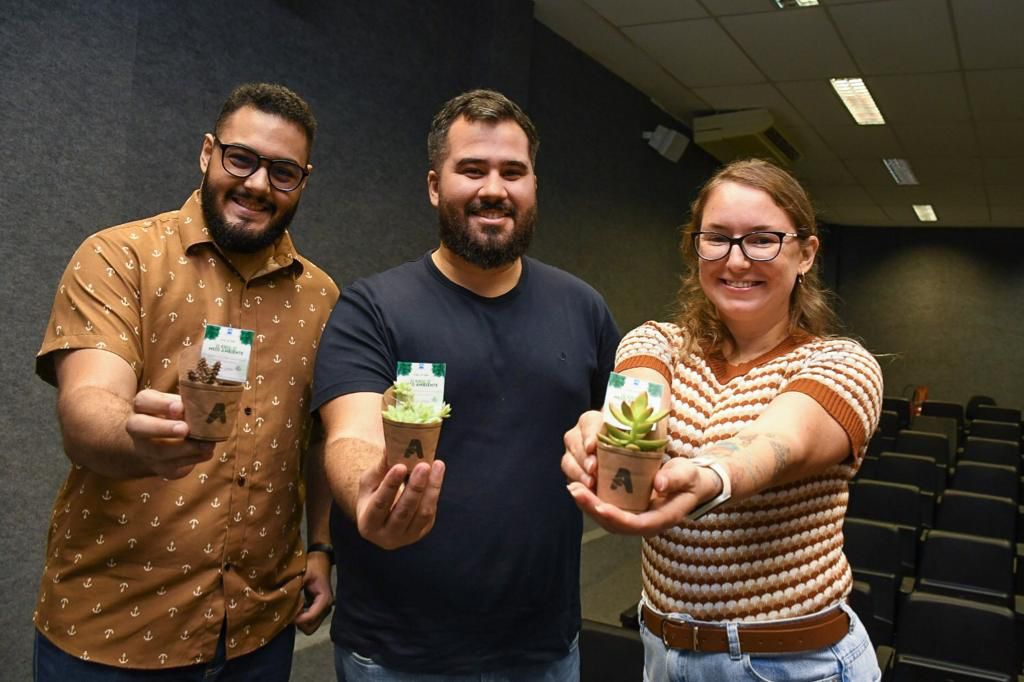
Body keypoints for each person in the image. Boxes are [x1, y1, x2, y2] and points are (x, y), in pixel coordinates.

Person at [32, 83, 339, 681]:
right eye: (240, 159)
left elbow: (319, 439)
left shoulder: (322, 298)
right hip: (115, 628)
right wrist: (132, 436)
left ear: (303, 181)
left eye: (282, 171)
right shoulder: (118, 256)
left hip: (257, 630)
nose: (256, 184)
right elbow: (87, 402)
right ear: (207, 152)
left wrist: (321, 547)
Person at [312, 88, 619, 680]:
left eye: (513, 172)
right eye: (471, 169)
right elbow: (350, 435)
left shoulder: (583, 308)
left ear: (533, 187)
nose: (494, 189)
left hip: (544, 648)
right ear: (434, 186)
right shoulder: (372, 307)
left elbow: (618, 435)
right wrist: (368, 496)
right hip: (398, 653)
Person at [563, 159, 884, 681]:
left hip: (794, 665)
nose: (736, 261)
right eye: (717, 238)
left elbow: (780, 439)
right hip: (663, 654)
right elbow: (639, 401)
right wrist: (604, 436)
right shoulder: (656, 341)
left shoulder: (842, 363)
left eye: (762, 240)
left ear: (805, 253)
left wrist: (710, 477)